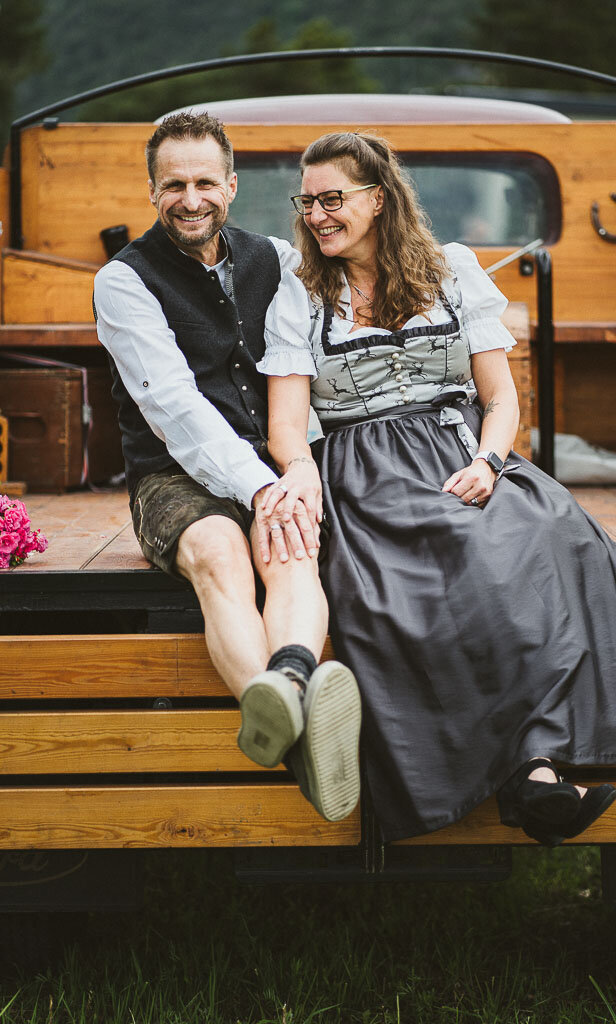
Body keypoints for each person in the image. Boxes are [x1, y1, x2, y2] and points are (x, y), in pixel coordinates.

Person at [257, 130, 616, 845]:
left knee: (544, 545)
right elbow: (286, 424)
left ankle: (535, 772)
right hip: (361, 468)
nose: (317, 216)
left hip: (459, 447)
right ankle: (532, 775)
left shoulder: (451, 268)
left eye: (332, 199)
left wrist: (489, 461)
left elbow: (499, 398)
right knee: (437, 576)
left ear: (378, 197)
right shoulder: (297, 292)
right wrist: (301, 477)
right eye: (307, 204)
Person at [93, 113, 362, 824]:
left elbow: (298, 370)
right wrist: (262, 486)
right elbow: (174, 409)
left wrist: (293, 469)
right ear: (152, 191)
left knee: (293, 548)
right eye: (173, 183)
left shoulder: (275, 258)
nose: (190, 198)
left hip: (271, 461)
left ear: (231, 186)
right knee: (220, 554)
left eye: (205, 181)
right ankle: (295, 728)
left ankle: (286, 688)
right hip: (173, 474)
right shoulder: (123, 282)